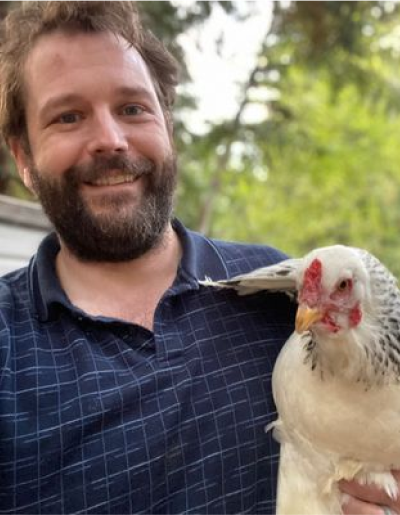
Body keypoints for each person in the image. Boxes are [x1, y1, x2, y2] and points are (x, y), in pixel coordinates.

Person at [0, 1, 397, 514]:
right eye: (68, 116)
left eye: (132, 108)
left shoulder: (280, 303)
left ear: (168, 124)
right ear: (24, 159)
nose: (111, 140)